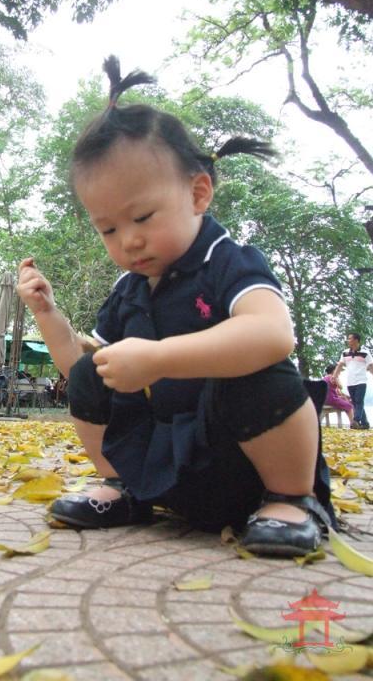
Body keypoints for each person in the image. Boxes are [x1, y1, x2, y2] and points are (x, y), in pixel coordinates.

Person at [17, 56, 333, 559]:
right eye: (109, 229)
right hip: (171, 471)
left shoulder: (228, 261)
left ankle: (292, 501)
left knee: (258, 368)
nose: (129, 240)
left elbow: (274, 335)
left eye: (142, 216)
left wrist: (160, 358)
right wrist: (48, 315)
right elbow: (83, 370)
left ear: (198, 192)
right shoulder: (129, 290)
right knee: (91, 375)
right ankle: (124, 486)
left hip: (248, 465)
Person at [333, 332, 373, 430]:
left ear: (356, 340)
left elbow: (371, 366)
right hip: (350, 382)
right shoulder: (345, 353)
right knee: (355, 402)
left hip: (361, 381)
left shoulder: (365, 353)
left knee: (359, 401)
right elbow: (340, 365)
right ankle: (365, 423)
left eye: (350, 338)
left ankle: (355, 420)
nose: (348, 340)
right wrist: (334, 376)